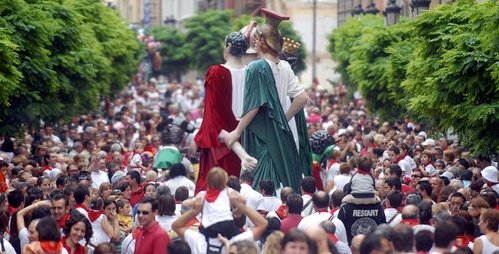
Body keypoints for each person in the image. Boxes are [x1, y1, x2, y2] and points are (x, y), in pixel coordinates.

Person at [223, 8, 309, 192]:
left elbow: (255, 104)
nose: (253, 42)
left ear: (261, 43)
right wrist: (283, 119)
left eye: (255, 39)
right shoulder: (284, 65)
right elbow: (302, 97)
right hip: (279, 133)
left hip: (260, 132)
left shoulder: (256, 67)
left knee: (259, 182)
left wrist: (237, 131)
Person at [193, 31, 253, 193]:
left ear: (228, 47)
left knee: (216, 189)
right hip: (248, 134)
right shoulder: (252, 72)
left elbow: (213, 113)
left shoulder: (217, 72)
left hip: (222, 138)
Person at [172, 188, 268, 254]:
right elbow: (262, 224)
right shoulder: (238, 241)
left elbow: (176, 226)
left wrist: (195, 211)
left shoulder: (199, 241)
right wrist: (242, 207)